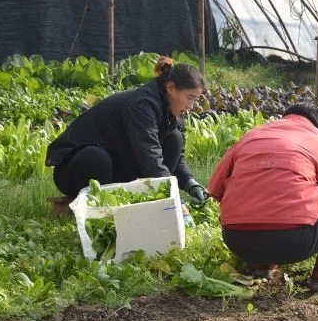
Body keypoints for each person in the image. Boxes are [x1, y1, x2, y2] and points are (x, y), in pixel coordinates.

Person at [205, 103, 318, 291]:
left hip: (238, 242)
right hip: (295, 242)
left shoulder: (251, 136)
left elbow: (214, 188)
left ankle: (261, 264)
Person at [45, 57, 209, 210]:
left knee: (174, 139)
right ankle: (98, 208)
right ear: (171, 88)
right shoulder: (142, 105)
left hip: (117, 164)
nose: (192, 105)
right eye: (190, 98)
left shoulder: (173, 110)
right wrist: (174, 199)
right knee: (96, 158)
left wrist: (189, 182)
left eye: (195, 100)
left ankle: (146, 201)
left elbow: (177, 157)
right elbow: (150, 155)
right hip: (75, 169)